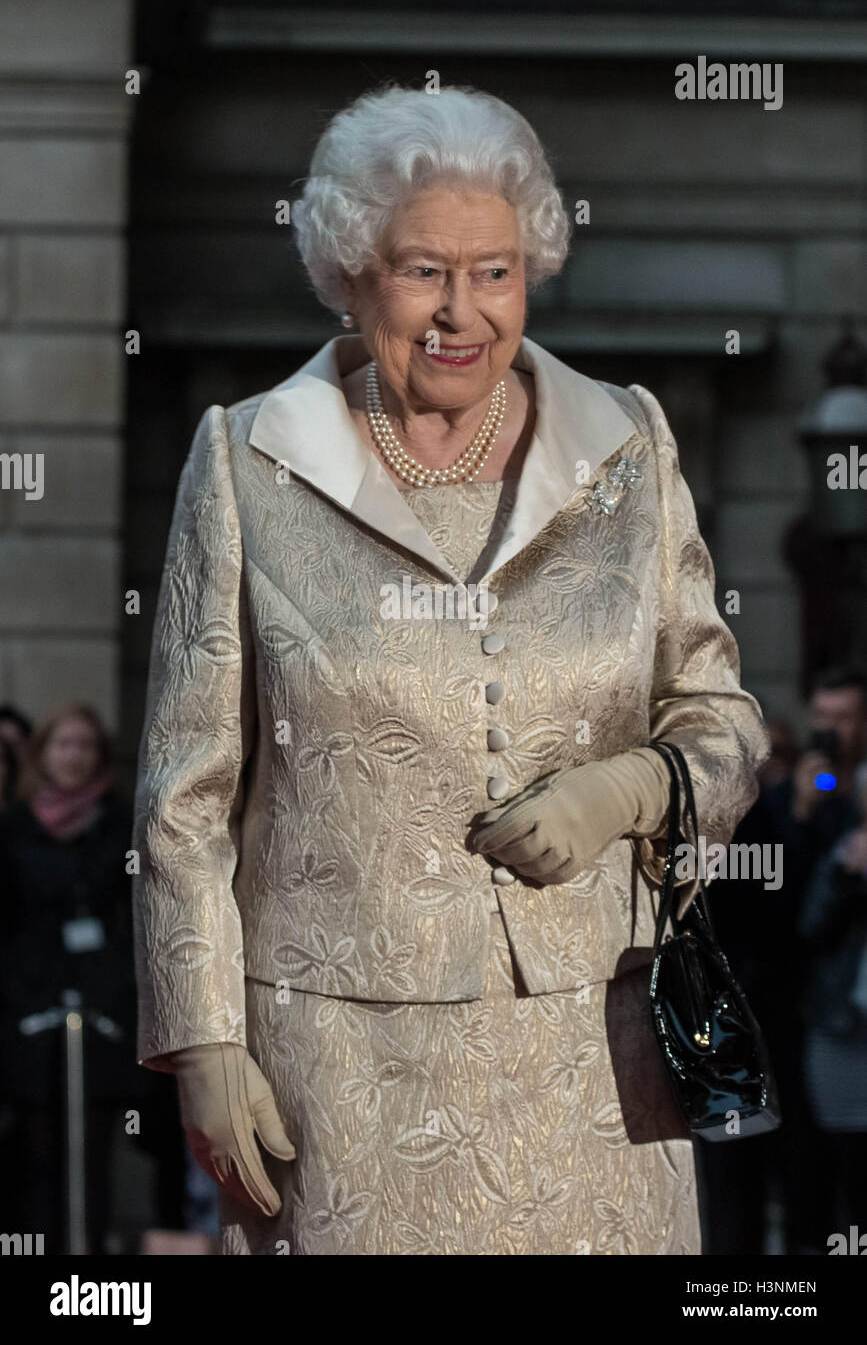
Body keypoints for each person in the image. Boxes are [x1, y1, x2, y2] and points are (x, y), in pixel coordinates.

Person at [131, 84, 768, 1256]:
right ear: (353, 270)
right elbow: (185, 794)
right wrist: (207, 1040)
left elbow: (721, 718)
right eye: (425, 270)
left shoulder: (627, 446)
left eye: (495, 272)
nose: (459, 312)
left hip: (598, 1060)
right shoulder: (246, 459)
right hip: (340, 1070)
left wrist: (625, 791)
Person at [695, 666, 867, 1254]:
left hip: (823, 1027)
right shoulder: (760, 815)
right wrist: (797, 812)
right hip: (746, 1022)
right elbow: (760, 910)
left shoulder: (853, 809)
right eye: (821, 719)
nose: (830, 734)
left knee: (815, 1189)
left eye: (842, 720)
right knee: (734, 1185)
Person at [0, 704, 143, 1253]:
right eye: (64, 745)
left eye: (85, 746)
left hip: (102, 1013)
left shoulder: (120, 823)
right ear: (44, 753)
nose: (74, 757)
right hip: (31, 1015)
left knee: (93, 1154)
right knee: (39, 1158)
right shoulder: (13, 827)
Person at [799, 760, 867, 1238]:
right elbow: (811, 930)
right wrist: (848, 875)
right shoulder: (843, 855)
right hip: (844, 1031)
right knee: (850, 1173)